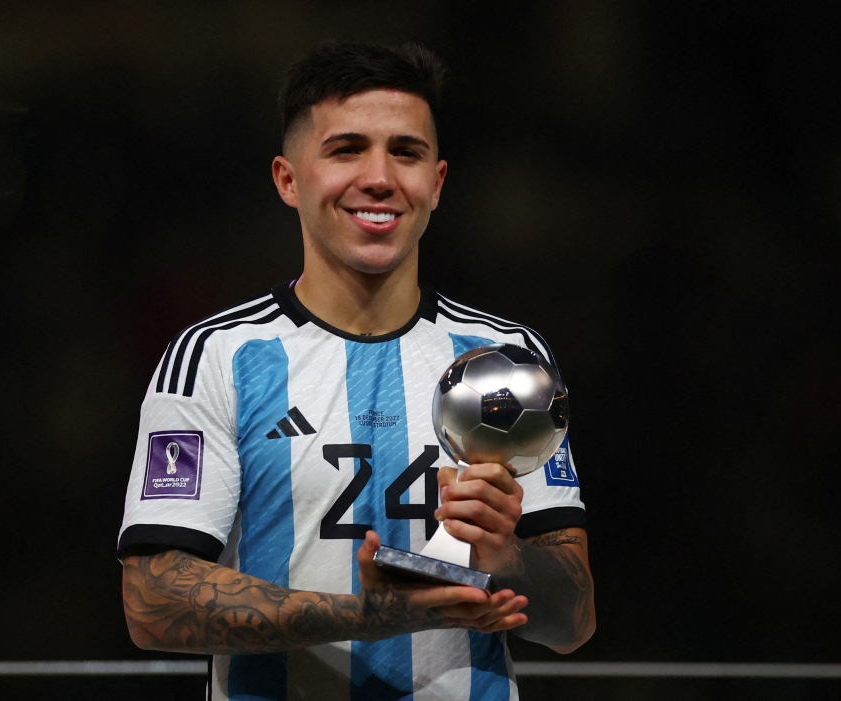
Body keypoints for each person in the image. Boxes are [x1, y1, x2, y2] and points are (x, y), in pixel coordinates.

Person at [118, 40, 595, 701]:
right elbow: (151, 600)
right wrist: (371, 619)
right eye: (346, 150)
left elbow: (572, 621)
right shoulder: (216, 356)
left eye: (406, 151)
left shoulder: (506, 361)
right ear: (288, 180)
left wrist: (505, 557)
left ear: (437, 181)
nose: (379, 177)